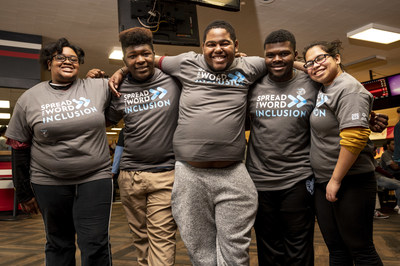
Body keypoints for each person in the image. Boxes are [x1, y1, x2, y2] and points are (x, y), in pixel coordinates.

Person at [109, 20, 267, 265]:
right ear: (202, 47)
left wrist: (312, 65)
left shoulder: (250, 65)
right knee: (198, 247)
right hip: (188, 173)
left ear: (235, 45)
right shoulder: (184, 63)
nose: (217, 49)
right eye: (211, 44)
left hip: (233, 171)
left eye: (224, 43)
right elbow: (146, 58)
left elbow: (281, 61)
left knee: (235, 250)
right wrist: (121, 70)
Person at [5, 38, 113, 266]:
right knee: (58, 242)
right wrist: (24, 191)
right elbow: (19, 148)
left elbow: (117, 110)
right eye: (60, 57)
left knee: (95, 243)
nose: (67, 62)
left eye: (73, 58)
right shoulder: (30, 98)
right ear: (49, 63)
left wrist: (109, 75)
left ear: (79, 64)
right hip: (49, 181)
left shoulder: (97, 87)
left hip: (94, 178)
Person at [303, 40, 382, 265]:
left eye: (321, 58)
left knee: (360, 249)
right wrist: (308, 63)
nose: (315, 66)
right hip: (324, 180)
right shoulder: (326, 86)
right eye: (310, 63)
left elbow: (354, 138)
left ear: (337, 58)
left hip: (351, 181)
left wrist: (335, 179)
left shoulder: (349, 89)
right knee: (337, 249)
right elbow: (313, 66)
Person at [106, 27, 180, 266]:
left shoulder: (173, 79)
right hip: (129, 176)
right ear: (125, 60)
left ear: (154, 54)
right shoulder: (119, 89)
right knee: (140, 239)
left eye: (145, 54)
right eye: (132, 56)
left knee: (162, 238)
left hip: (165, 174)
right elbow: (104, 121)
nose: (140, 60)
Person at [246, 29, 319, 266]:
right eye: (271, 55)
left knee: (298, 246)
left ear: (295, 54)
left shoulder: (311, 83)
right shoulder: (252, 84)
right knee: (269, 246)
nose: (277, 59)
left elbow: (339, 89)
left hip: (297, 179)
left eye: (284, 53)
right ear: (264, 57)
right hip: (258, 180)